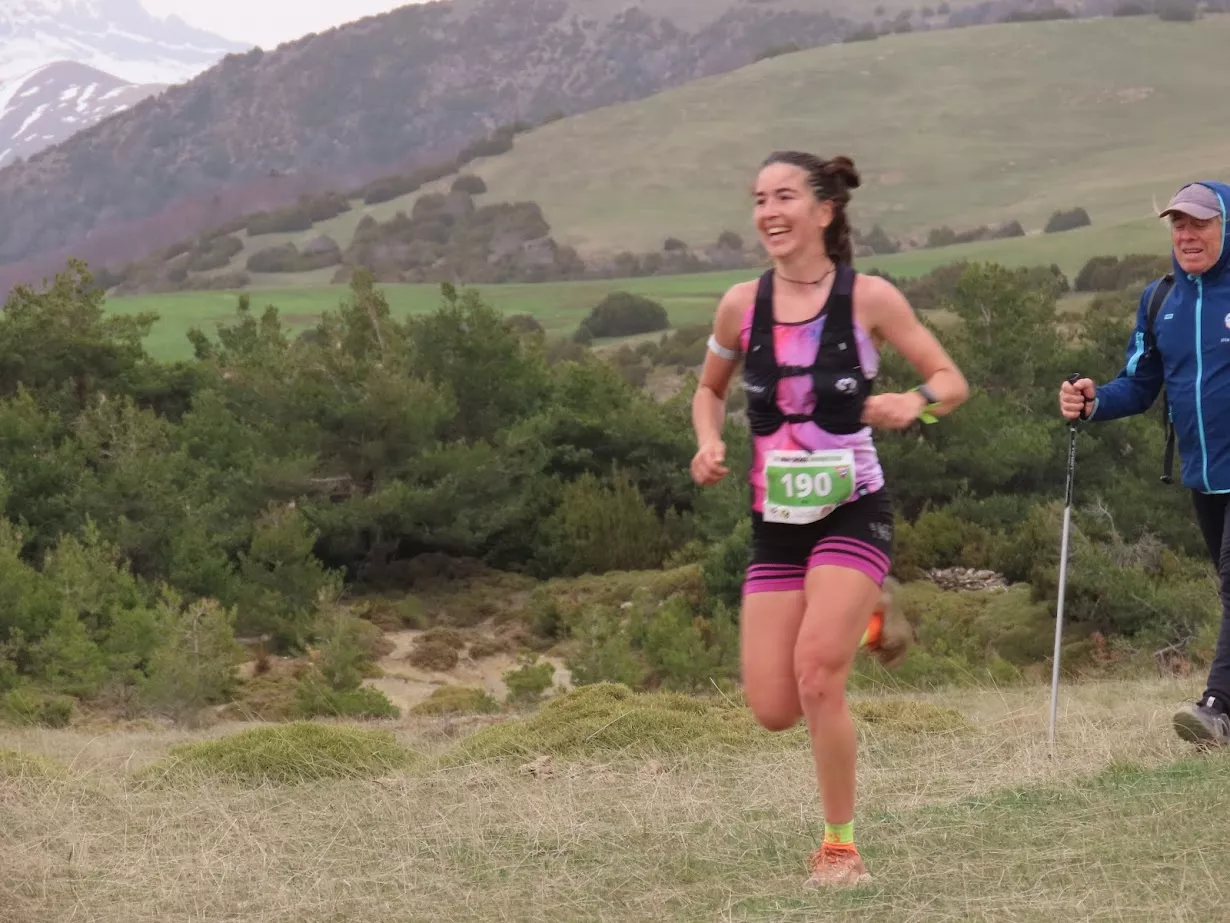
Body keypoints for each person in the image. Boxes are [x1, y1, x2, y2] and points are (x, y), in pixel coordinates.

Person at [689, 150, 969, 888]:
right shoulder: (737, 305)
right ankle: (873, 616)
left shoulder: (869, 298)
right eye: (758, 199)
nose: (767, 212)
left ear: (824, 210)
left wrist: (916, 402)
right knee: (774, 707)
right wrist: (708, 440)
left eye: (783, 196)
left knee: (818, 679)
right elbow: (708, 391)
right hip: (775, 522)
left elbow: (951, 381)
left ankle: (840, 847)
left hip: (853, 508)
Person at [1060, 180, 1230, 748]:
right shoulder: (1161, 301)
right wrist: (1092, 401)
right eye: (1179, 224)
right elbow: (1139, 384)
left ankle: (1216, 709)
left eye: (1201, 223)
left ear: (1225, 225)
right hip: (1204, 475)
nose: (1188, 234)